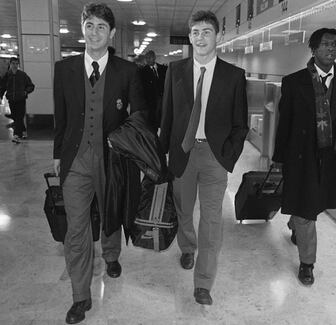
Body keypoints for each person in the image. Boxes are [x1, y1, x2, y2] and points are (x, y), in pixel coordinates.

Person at [53, 3, 147, 324]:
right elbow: (61, 119)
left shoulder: (128, 71)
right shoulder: (63, 70)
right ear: (83, 28)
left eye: (101, 27)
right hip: (76, 160)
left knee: (111, 213)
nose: (94, 33)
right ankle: (81, 297)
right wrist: (57, 155)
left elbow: (138, 118)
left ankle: (111, 255)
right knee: (76, 230)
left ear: (112, 34)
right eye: (89, 25)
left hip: (112, 159)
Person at [159, 10, 248, 305]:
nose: (200, 37)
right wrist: (163, 154)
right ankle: (187, 247)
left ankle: (203, 283)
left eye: (206, 32)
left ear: (217, 36)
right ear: (190, 37)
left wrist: (228, 157)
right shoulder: (175, 71)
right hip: (182, 152)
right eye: (195, 32)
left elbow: (240, 123)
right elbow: (167, 116)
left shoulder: (234, 76)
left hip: (214, 157)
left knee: (211, 221)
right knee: (183, 210)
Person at [272, 28, 336, 286]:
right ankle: (307, 263)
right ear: (313, 49)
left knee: (315, 204)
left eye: (334, 45)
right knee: (307, 209)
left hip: (331, 156)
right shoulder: (293, 81)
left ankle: (295, 223)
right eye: (324, 45)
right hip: (301, 156)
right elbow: (284, 122)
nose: (330, 49)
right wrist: (279, 157)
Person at [0, 57, 35, 143]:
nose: (15, 66)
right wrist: (1, 95)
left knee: (19, 116)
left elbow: (31, 85)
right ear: (10, 65)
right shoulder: (7, 75)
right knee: (16, 117)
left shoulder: (22, 75)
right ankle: (23, 131)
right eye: (13, 64)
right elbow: (3, 86)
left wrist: (26, 92)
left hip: (21, 99)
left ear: (18, 65)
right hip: (11, 99)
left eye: (16, 64)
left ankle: (16, 135)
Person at [141, 50, 167, 133]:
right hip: (150, 101)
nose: (148, 60)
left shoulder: (164, 69)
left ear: (154, 58)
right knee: (152, 122)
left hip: (162, 99)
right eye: (146, 58)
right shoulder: (142, 72)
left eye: (150, 57)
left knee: (163, 119)